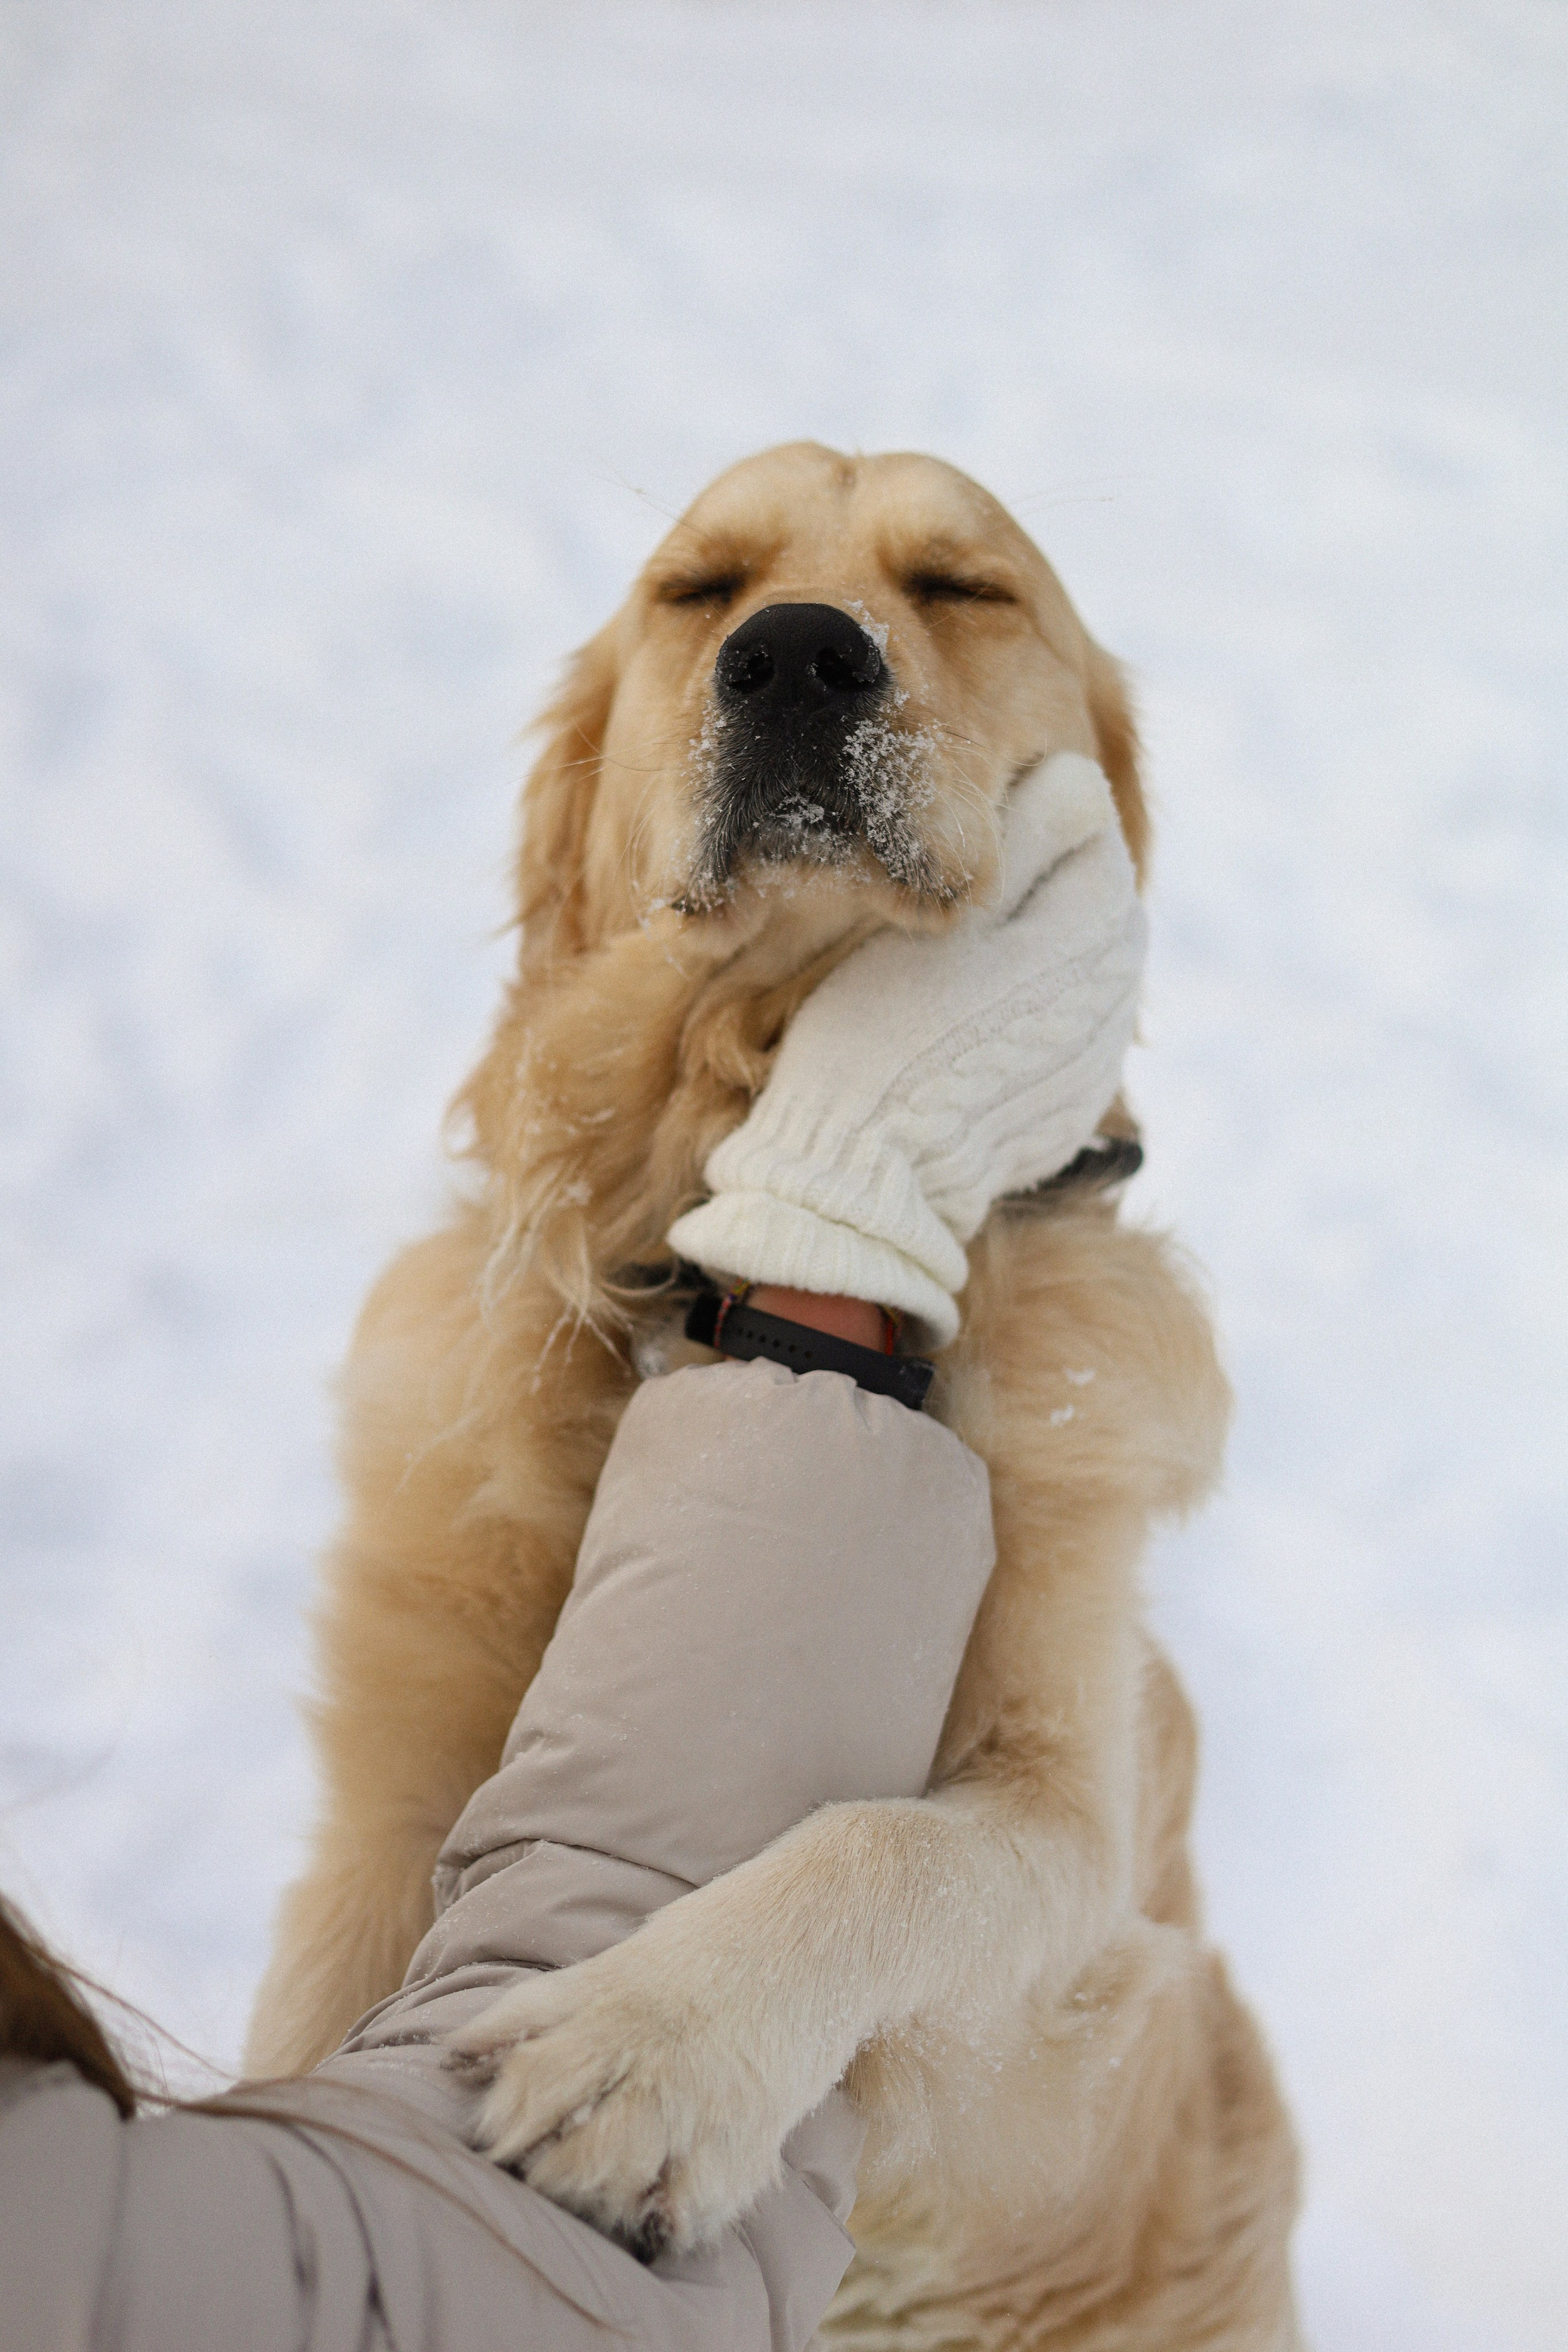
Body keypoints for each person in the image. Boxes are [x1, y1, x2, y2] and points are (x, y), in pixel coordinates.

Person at [1, 752, 1143, 2352]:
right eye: (704, 619)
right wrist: (840, 1221)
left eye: (963, 616)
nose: (802, 654)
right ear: (576, 837)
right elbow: (392, 1883)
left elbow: (1070, 1851)